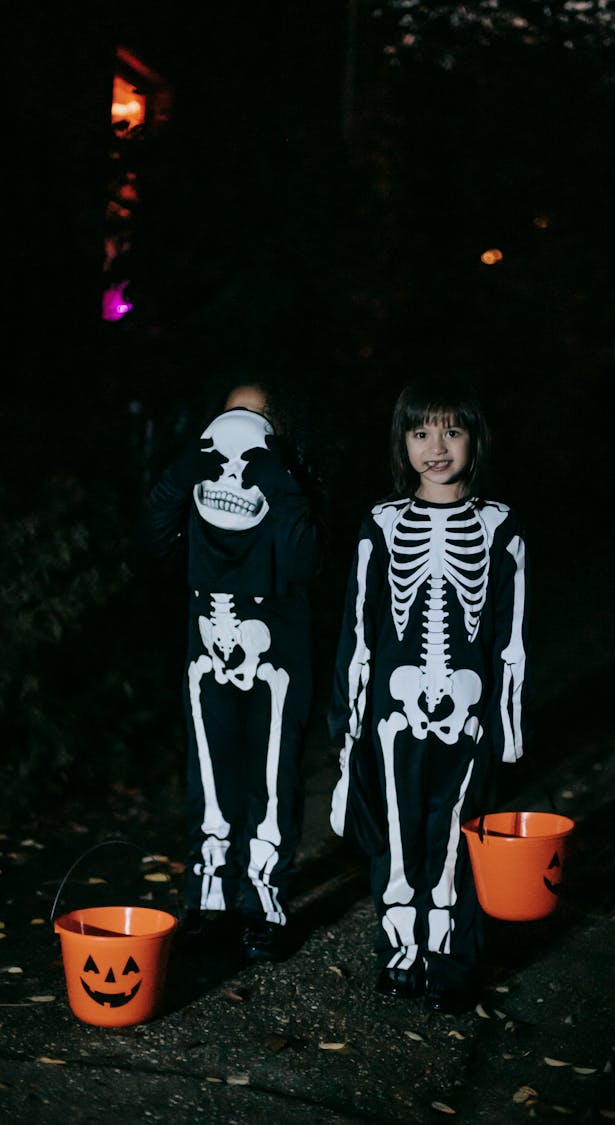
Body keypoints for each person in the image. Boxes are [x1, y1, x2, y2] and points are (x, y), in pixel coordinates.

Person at [327, 376, 528, 1013]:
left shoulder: (499, 526)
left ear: (475, 438)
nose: (435, 446)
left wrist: (508, 723)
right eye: (420, 432)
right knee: (396, 832)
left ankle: (452, 957)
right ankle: (400, 952)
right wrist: (346, 724)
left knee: (456, 832)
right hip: (391, 712)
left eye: (451, 430)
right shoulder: (381, 524)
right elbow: (357, 627)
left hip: (469, 716)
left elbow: (511, 630)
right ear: (402, 442)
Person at [144, 379, 323, 963]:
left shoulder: (289, 492)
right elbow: (153, 543)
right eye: (229, 422)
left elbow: (305, 560)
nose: (236, 441)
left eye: (255, 426)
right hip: (207, 654)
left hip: (279, 659)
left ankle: (263, 905)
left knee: (272, 780)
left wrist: (280, 483)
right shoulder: (198, 497)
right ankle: (209, 899)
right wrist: (181, 473)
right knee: (211, 779)